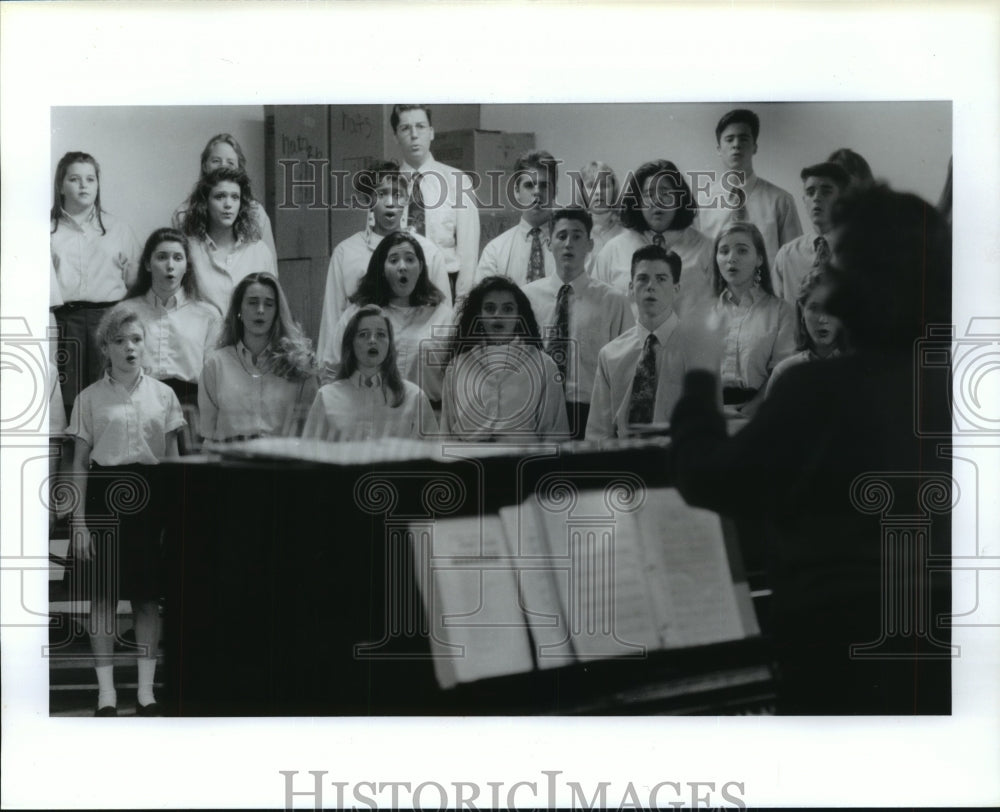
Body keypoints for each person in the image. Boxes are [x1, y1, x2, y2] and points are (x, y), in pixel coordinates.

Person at [668, 184, 952, 714]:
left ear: (863, 282)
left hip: (833, 652)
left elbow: (706, 476)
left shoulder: (818, 389)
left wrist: (702, 369)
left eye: (838, 261)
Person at [67, 305, 185, 716]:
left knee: (148, 600)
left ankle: (146, 692)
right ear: (106, 348)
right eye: (120, 341)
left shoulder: (164, 395)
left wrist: (176, 519)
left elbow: (173, 464)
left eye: (136, 339)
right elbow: (80, 463)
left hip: (151, 498)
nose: (129, 348)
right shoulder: (88, 399)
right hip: (105, 497)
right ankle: (106, 694)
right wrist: (78, 523)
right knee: (101, 599)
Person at [317, 160, 452, 358]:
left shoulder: (429, 253)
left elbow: (444, 323)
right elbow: (332, 322)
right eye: (381, 194)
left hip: (417, 362)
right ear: (369, 200)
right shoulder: (346, 253)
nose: (390, 202)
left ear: (407, 199)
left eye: (397, 194)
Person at [523, 208, 633, 439]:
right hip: (538, 409)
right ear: (548, 242)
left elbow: (626, 368)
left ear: (590, 244)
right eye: (561, 236)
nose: (569, 243)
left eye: (577, 236)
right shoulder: (527, 299)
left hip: (591, 412)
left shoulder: (613, 302)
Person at [587, 246, 715, 440]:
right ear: (631, 287)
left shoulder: (699, 351)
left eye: (661, 279)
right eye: (642, 278)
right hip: (623, 460)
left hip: (679, 459)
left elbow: (710, 427)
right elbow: (598, 432)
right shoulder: (611, 354)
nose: (651, 286)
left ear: (676, 289)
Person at [50, 151, 140, 421]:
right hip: (67, 321)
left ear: (98, 184)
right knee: (70, 401)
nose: (83, 185)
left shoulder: (117, 229)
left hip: (109, 320)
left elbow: (136, 285)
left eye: (90, 179)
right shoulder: (48, 230)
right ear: (61, 185)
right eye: (75, 179)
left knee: (110, 398)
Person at [123, 228, 222, 452]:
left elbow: (214, 376)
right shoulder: (125, 311)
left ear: (187, 265)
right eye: (161, 257)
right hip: (139, 403)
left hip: (191, 407)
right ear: (148, 264)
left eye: (178, 258)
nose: (170, 265)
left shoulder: (207, 314)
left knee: (188, 481)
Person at [324, 232, 453, 403]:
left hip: (427, 418)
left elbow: (460, 376)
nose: (402, 267)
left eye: (409, 259)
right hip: (370, 415)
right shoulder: (358, 314)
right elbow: (332, 370)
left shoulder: (442, 316)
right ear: (382, 269)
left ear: (420, 267)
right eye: (393, 260)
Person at [441, 276, 569, 442]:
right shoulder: (457, 366)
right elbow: (446, 434)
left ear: (518, 316)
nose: (498, 315)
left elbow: (555, 435)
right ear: (478, 315)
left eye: (507, 309)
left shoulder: (544, 365)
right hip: (468, 463)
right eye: (489, 308)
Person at [198, 273, 318, 442]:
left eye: (268, 304)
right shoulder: (215, 364)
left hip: (284, 463)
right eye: (252, 302)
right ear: (239, 309)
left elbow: (311, 432)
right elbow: (208, 435)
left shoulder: (299, 364)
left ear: (277, 312)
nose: (260, 310)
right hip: (231, 464)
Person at [593, 159, 713, 316]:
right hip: (629, 339)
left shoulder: (705, 248)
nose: (658, 201)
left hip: (690, 339)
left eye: (665, 193)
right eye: (649, 194)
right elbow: (597, 310)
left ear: (679, 199)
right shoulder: (612, 251)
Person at [303, 305, 438, 441]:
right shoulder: (326, 397)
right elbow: (309, 456)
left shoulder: (415, 398)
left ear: (390, 344)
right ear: (351, 344)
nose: (373, 340)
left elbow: (433, 456)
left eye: (381, 334)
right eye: (363, 334)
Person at [391, 105, 481, 300]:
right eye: (405, 128)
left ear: (431, 132)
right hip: (397, 287)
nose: (414, 135)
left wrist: (461, 303)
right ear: (395, 136)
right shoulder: (386, 186)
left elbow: (468, 251)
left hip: (444, 286)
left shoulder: (457, 180)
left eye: (421, 126)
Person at [711, 221, 796, 418]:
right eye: (724, 251)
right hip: (710, 414)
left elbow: (782, 372)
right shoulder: (704, 313)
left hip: (762, 413)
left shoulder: (781, 312)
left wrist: (749, 411)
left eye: (742, 251)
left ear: (758, 259)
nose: (731, 258)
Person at [696, 109, 803, 266]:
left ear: (755, 147)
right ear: (719, 149)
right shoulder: (702, 203)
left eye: (743, 139)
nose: (736, 145)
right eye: (729, 139)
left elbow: (794, 261)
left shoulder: (780, 201)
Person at [181, 167, 277, 317]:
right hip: (205, 339)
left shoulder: (259, 251)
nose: (228, 204)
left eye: (235, 197)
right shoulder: (189, 250)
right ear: (205, 203)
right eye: (220, 197)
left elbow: (272, 305)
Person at [172, 133, 277, 259]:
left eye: (230, 162)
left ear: (239, 168)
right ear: (205, 166)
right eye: (216, 161)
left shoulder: (256, 213)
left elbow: (269, 267)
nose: (223, 166)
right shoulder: (183, 214)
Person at [474, 150, 559, 286]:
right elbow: (483, 302)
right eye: (529, 185)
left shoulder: (571, 248)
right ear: (516, 191)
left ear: (555, 192)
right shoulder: (496, 251)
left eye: (544, 185)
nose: (537, 192)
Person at [771, 161, 850, 304]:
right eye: (810, 192)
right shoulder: (787, 256)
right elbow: (775, 313)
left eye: (826, 191)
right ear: (804, 200)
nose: (816, 198)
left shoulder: (862, 253)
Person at [765, 267, 845, 397]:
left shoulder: (861, 370)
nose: (822, 319)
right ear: (802, 311)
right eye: (814, 308)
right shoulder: (785, 373)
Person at [574, 161, 625, 271]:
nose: (598, 192)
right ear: (581, 192)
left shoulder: (628, 232)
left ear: (614, 190)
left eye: (604, 186)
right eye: (591, 186)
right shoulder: (573, 233)